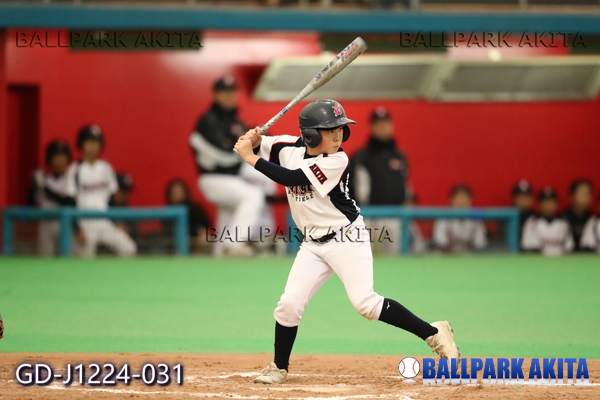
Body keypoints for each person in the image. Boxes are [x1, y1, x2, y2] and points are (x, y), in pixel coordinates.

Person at [233, 99, 459, 385]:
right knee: (289, 304)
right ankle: (279, 367)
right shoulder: (286, 147)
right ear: (310, 135)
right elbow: (262, 145)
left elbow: (291, 178)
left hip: (347, 238)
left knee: (365, 303)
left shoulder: (337, 160)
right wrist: (253, 141)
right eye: (330, 130)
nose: (338, 135)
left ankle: (433, 333)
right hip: (312, 244)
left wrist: (250, 157)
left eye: (340, 128)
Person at [189, 76, 265, 257]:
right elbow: (221, 155)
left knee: (229, 213)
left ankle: (221, 254)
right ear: (215, 95)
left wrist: (257, 142)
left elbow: (247, 150)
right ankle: (233, 244)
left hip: (233, 179)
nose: (229, 96)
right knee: (253, 196)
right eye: (224, 92)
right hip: (214, 178)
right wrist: (244, 152)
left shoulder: (237, 123)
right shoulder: (207, 121)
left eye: (232, 92)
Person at [66, 124, 137, 257]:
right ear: (82, 144)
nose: (93, 146)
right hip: (84, 222)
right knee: (86, 259)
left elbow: (112, 199)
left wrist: (116, 221)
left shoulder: (106, 168)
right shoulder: (74, 169)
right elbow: (69, 201)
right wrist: (77, 229)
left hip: (104, 221)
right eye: (89, 142)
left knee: (128, 248)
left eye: (96, 142)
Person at [349, 107, 409, 254]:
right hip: (368, 216)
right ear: (371, 127)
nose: (383, 127)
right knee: (365, 257)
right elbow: (351, 188)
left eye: (386, 123)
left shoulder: (399, 156)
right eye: (378, 123)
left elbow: (405, 185)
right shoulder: (361, 157)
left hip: (395, 216)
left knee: (396, 259)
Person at [27, 140, 73, 256]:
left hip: (65, 223)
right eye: (56, 156)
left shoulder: (71, 178)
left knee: (67, 256)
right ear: (50, 158)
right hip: (45, 222)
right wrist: (33, 187)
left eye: (63, 156)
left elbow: (67, 202)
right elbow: (30, 203)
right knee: (45, 257)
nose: (60, 160)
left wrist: (45, 188)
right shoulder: (42, 178)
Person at [432, 184, 487, 253]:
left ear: (470, 200)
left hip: (469, 254)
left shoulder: (476, 217)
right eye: (458, 197)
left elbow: (480, 242)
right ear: (451, 199)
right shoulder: (444, 216)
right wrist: (450, 252)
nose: (462, 201)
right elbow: (440, 240)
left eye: (464, 197)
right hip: (446, 254)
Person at [521, 186, 574, 256]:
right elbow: (529, 248)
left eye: (551, 202)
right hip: (539, 261)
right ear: (539, 204)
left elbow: (569, 248)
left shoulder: (564, 222)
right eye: (545, 202)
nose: (548, 205)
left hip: (561, 260)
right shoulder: (532, 222)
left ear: (556, 203)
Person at [165, 179, 210, 252]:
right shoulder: (167, 212)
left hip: (194, 242)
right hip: (173, 243)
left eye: (179, 191)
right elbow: (166, 230)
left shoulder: (194, 209)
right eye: (174, 192)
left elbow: (203, 228)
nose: (177, 194)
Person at [562, 179, 594, 252]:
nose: (586, 196)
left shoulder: (594, 220)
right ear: (571, 196)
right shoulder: (563, 219)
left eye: (588, 193)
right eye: (582, 193)